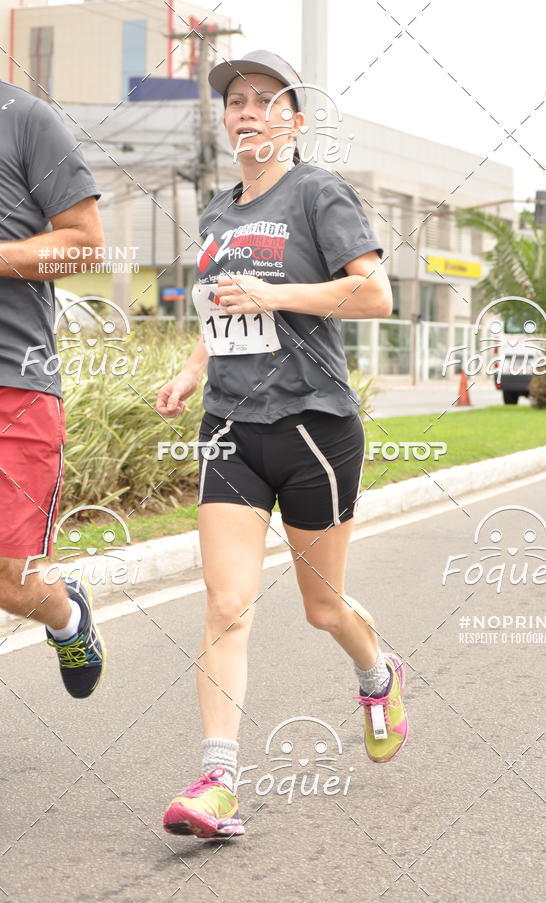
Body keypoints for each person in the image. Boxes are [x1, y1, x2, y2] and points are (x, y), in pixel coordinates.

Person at [156, 50, 408, 839]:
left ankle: (378, 672)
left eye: (266, 100)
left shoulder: (319, 192)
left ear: (295, 122)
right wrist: (192, 369)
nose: (247, 112)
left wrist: (277, 292)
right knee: (226, 603)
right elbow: (219, 308)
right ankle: (217, 781)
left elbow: (375, 293)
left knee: (321, 606)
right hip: (231, 428)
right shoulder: (216, 212)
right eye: (236, 101)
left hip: (313, 426)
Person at [0, 79, 106, 698]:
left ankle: (68, 617)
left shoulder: (25, 118)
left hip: (15, 383)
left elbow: (85, 245)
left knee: (9, 582)